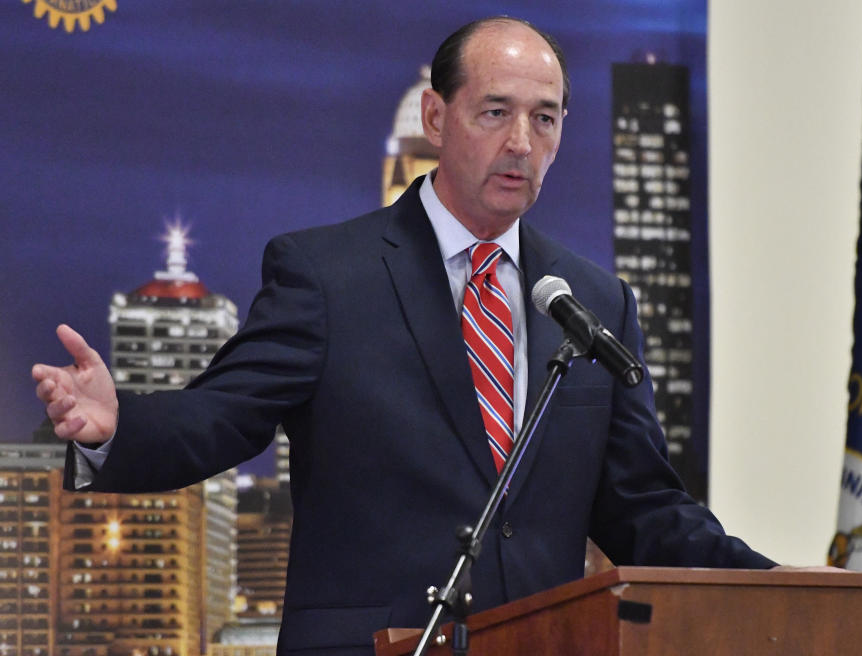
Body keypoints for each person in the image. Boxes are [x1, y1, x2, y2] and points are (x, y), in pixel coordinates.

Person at [33, 17, 776, 655]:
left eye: (544, 118)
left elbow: (642, 506)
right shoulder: (327, 275)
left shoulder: (591, 301)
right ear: (436, 116)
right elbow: (223, 417)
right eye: (495, 112)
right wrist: (118, 425)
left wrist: (779, 586)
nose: (521, 141)